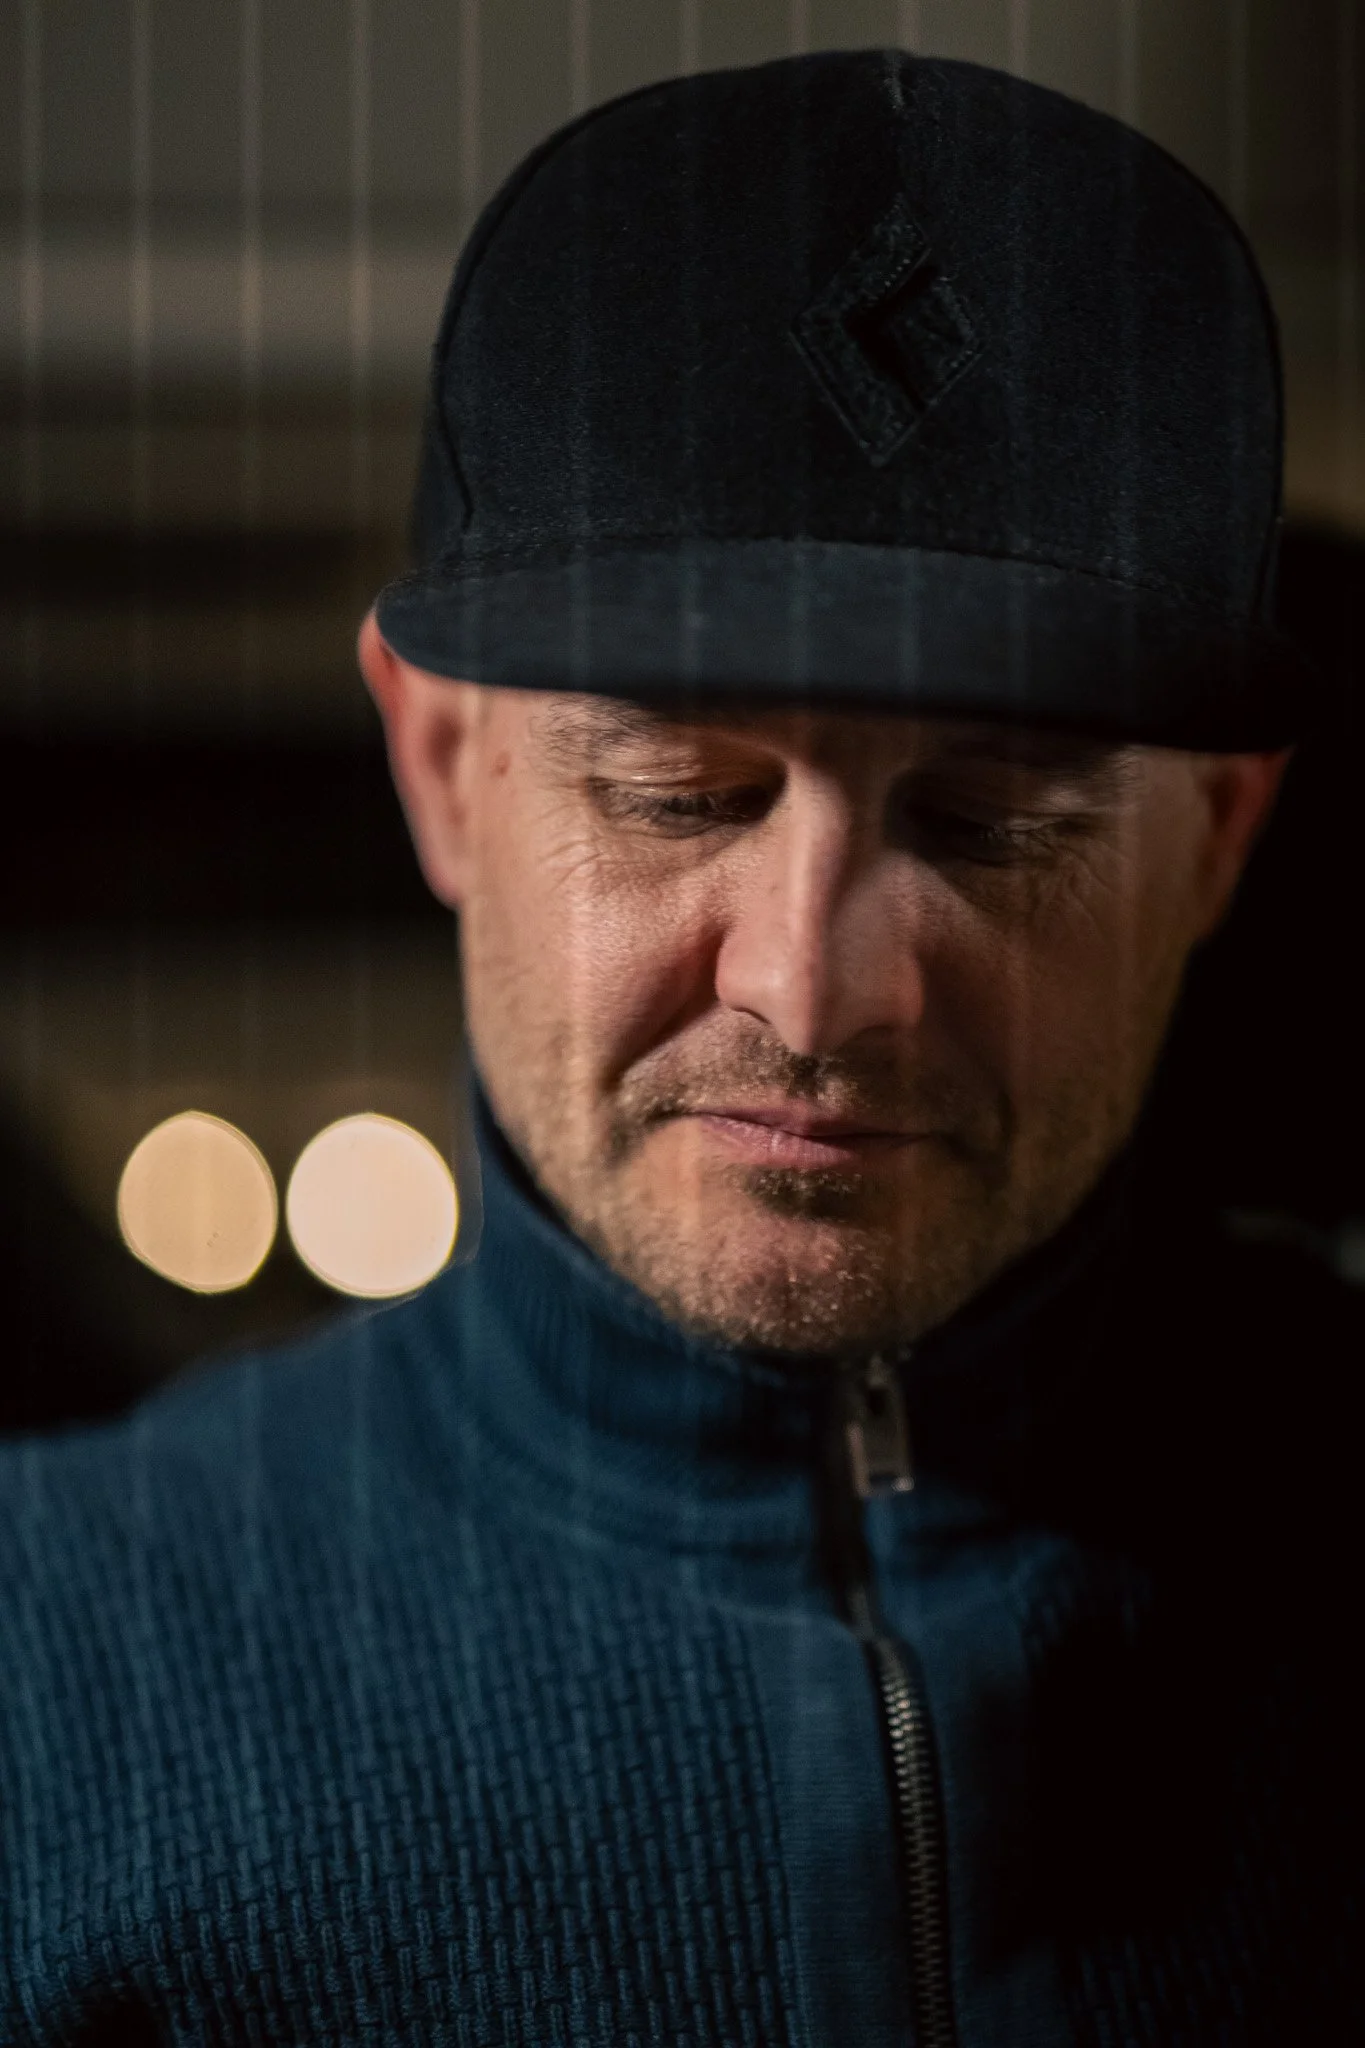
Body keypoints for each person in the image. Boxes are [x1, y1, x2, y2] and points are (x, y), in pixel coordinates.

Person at [1, 50, 1358, 2048]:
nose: (810, 992)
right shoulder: (44, 1672)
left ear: (1221, 834)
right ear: (443, 763)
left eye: (992, 827)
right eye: (671, 794)